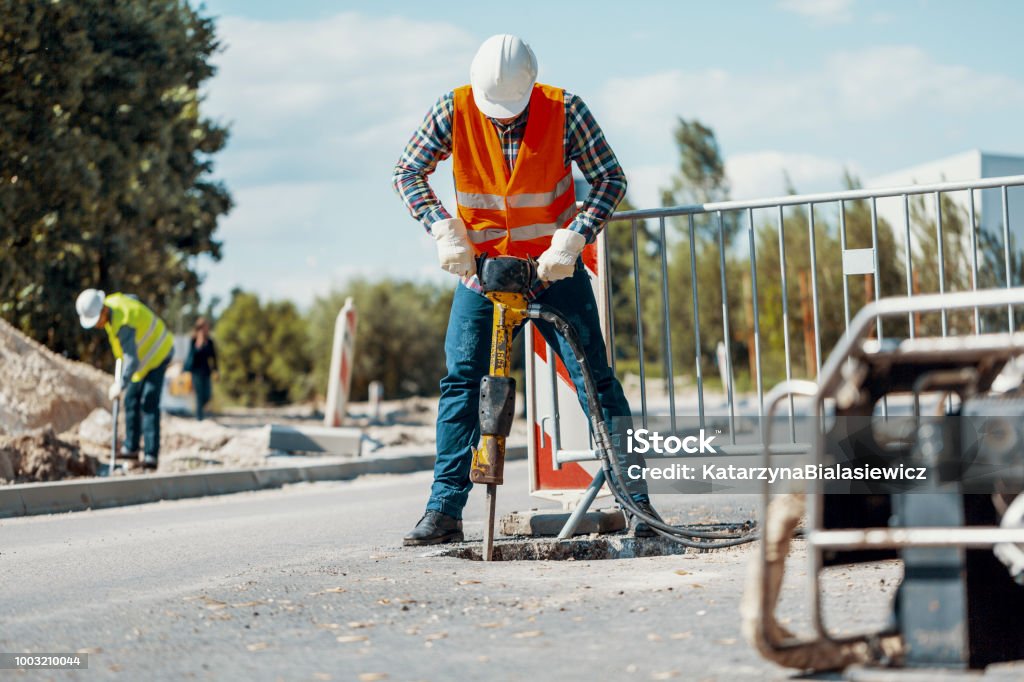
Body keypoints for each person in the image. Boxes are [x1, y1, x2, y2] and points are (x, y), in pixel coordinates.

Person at [392, 34, 658, 545]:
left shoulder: (566, 110)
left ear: (531, 87)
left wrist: (576, 236)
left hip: (552, 271)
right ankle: (444, 510)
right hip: (483, 273)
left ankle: (637, 504)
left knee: (595, 382)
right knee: (462, 383)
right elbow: (408, 171)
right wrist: (441, 226)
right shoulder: (455, 108)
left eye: (509, 111)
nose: (500, 119)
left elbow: (610, 179)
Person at [76, 289, 174, 470]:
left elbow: (132, 359)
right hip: (143, 362)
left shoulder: (123, 324)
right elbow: (134, 298)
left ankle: (151, 456)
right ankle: (131, 448)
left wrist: (121, 382)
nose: (97, 325)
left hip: (159, 352)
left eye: (96, 320)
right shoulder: (113, 303)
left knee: (148, 401)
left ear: (103, 311)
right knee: (131, 400)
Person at [185, 317, 218, 421]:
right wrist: (198, 345)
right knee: (199, 395)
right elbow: (192, 356)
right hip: (196, 371)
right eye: (204, 327)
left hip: (206, 371)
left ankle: (200, 413)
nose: (206, 329)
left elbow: (214, 357)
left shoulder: (210, 342)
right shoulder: (193, 340)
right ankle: (199, 418)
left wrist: (216, 370)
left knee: (207, 395)